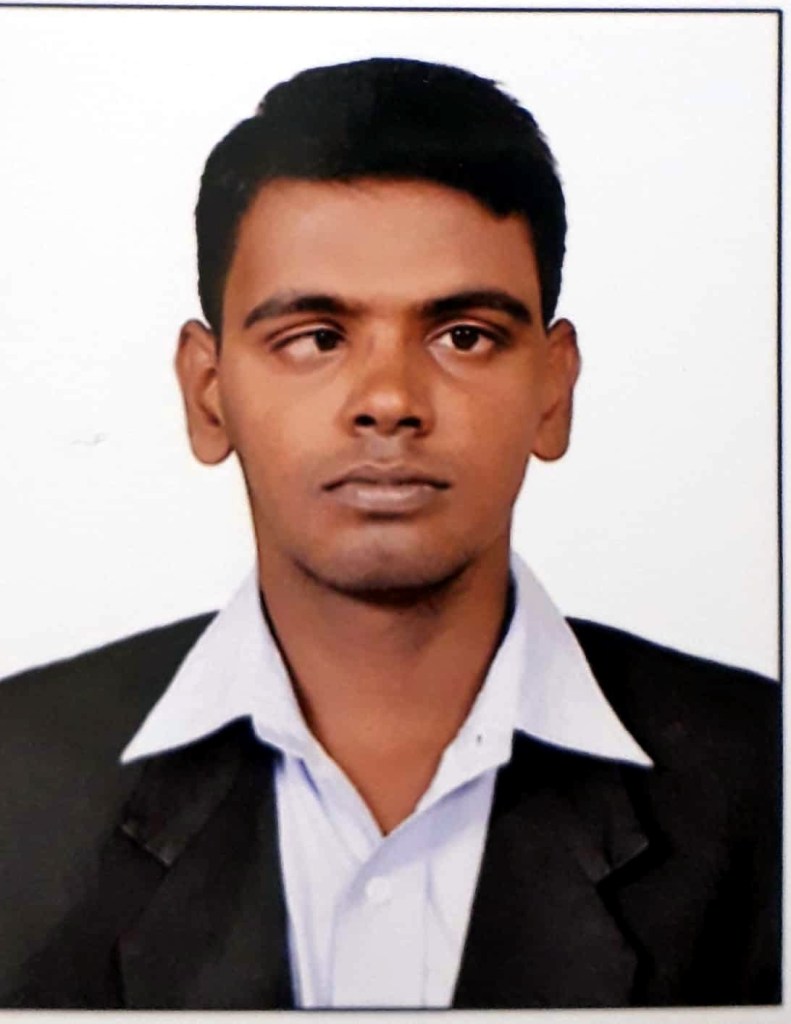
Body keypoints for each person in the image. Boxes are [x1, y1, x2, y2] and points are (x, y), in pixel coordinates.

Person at [0, 57, 779, 1010]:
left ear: (553, 388)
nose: (388, 400)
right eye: (315, 337)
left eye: (463, 335)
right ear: (208, 394)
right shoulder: (13, 779)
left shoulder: (765, 782)